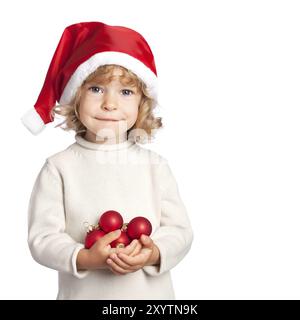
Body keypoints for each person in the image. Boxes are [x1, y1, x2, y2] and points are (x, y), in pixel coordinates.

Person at [21, 21, 193, 300]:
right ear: (75, 96)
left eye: (125, 92)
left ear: (141, 105)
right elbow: (42, 238)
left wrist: (154, 251)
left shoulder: (155, 166)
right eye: (96, 89)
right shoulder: (59, 167)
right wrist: (85, 257)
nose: (110, 104)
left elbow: (180, 231)